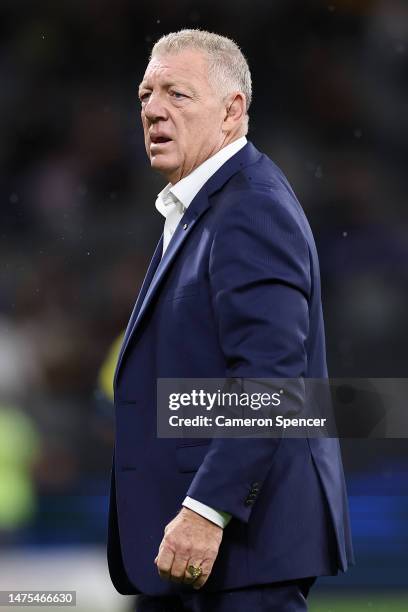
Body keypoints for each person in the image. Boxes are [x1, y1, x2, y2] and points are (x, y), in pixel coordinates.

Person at [107, 29, 354, 612]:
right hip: (195, 556)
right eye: (145, 93)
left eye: (177, 94)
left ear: (232, 111)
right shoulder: (203, 209)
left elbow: (271, 383)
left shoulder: (250, 209)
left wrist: (205, 510)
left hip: (237, 553)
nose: (153, 109)